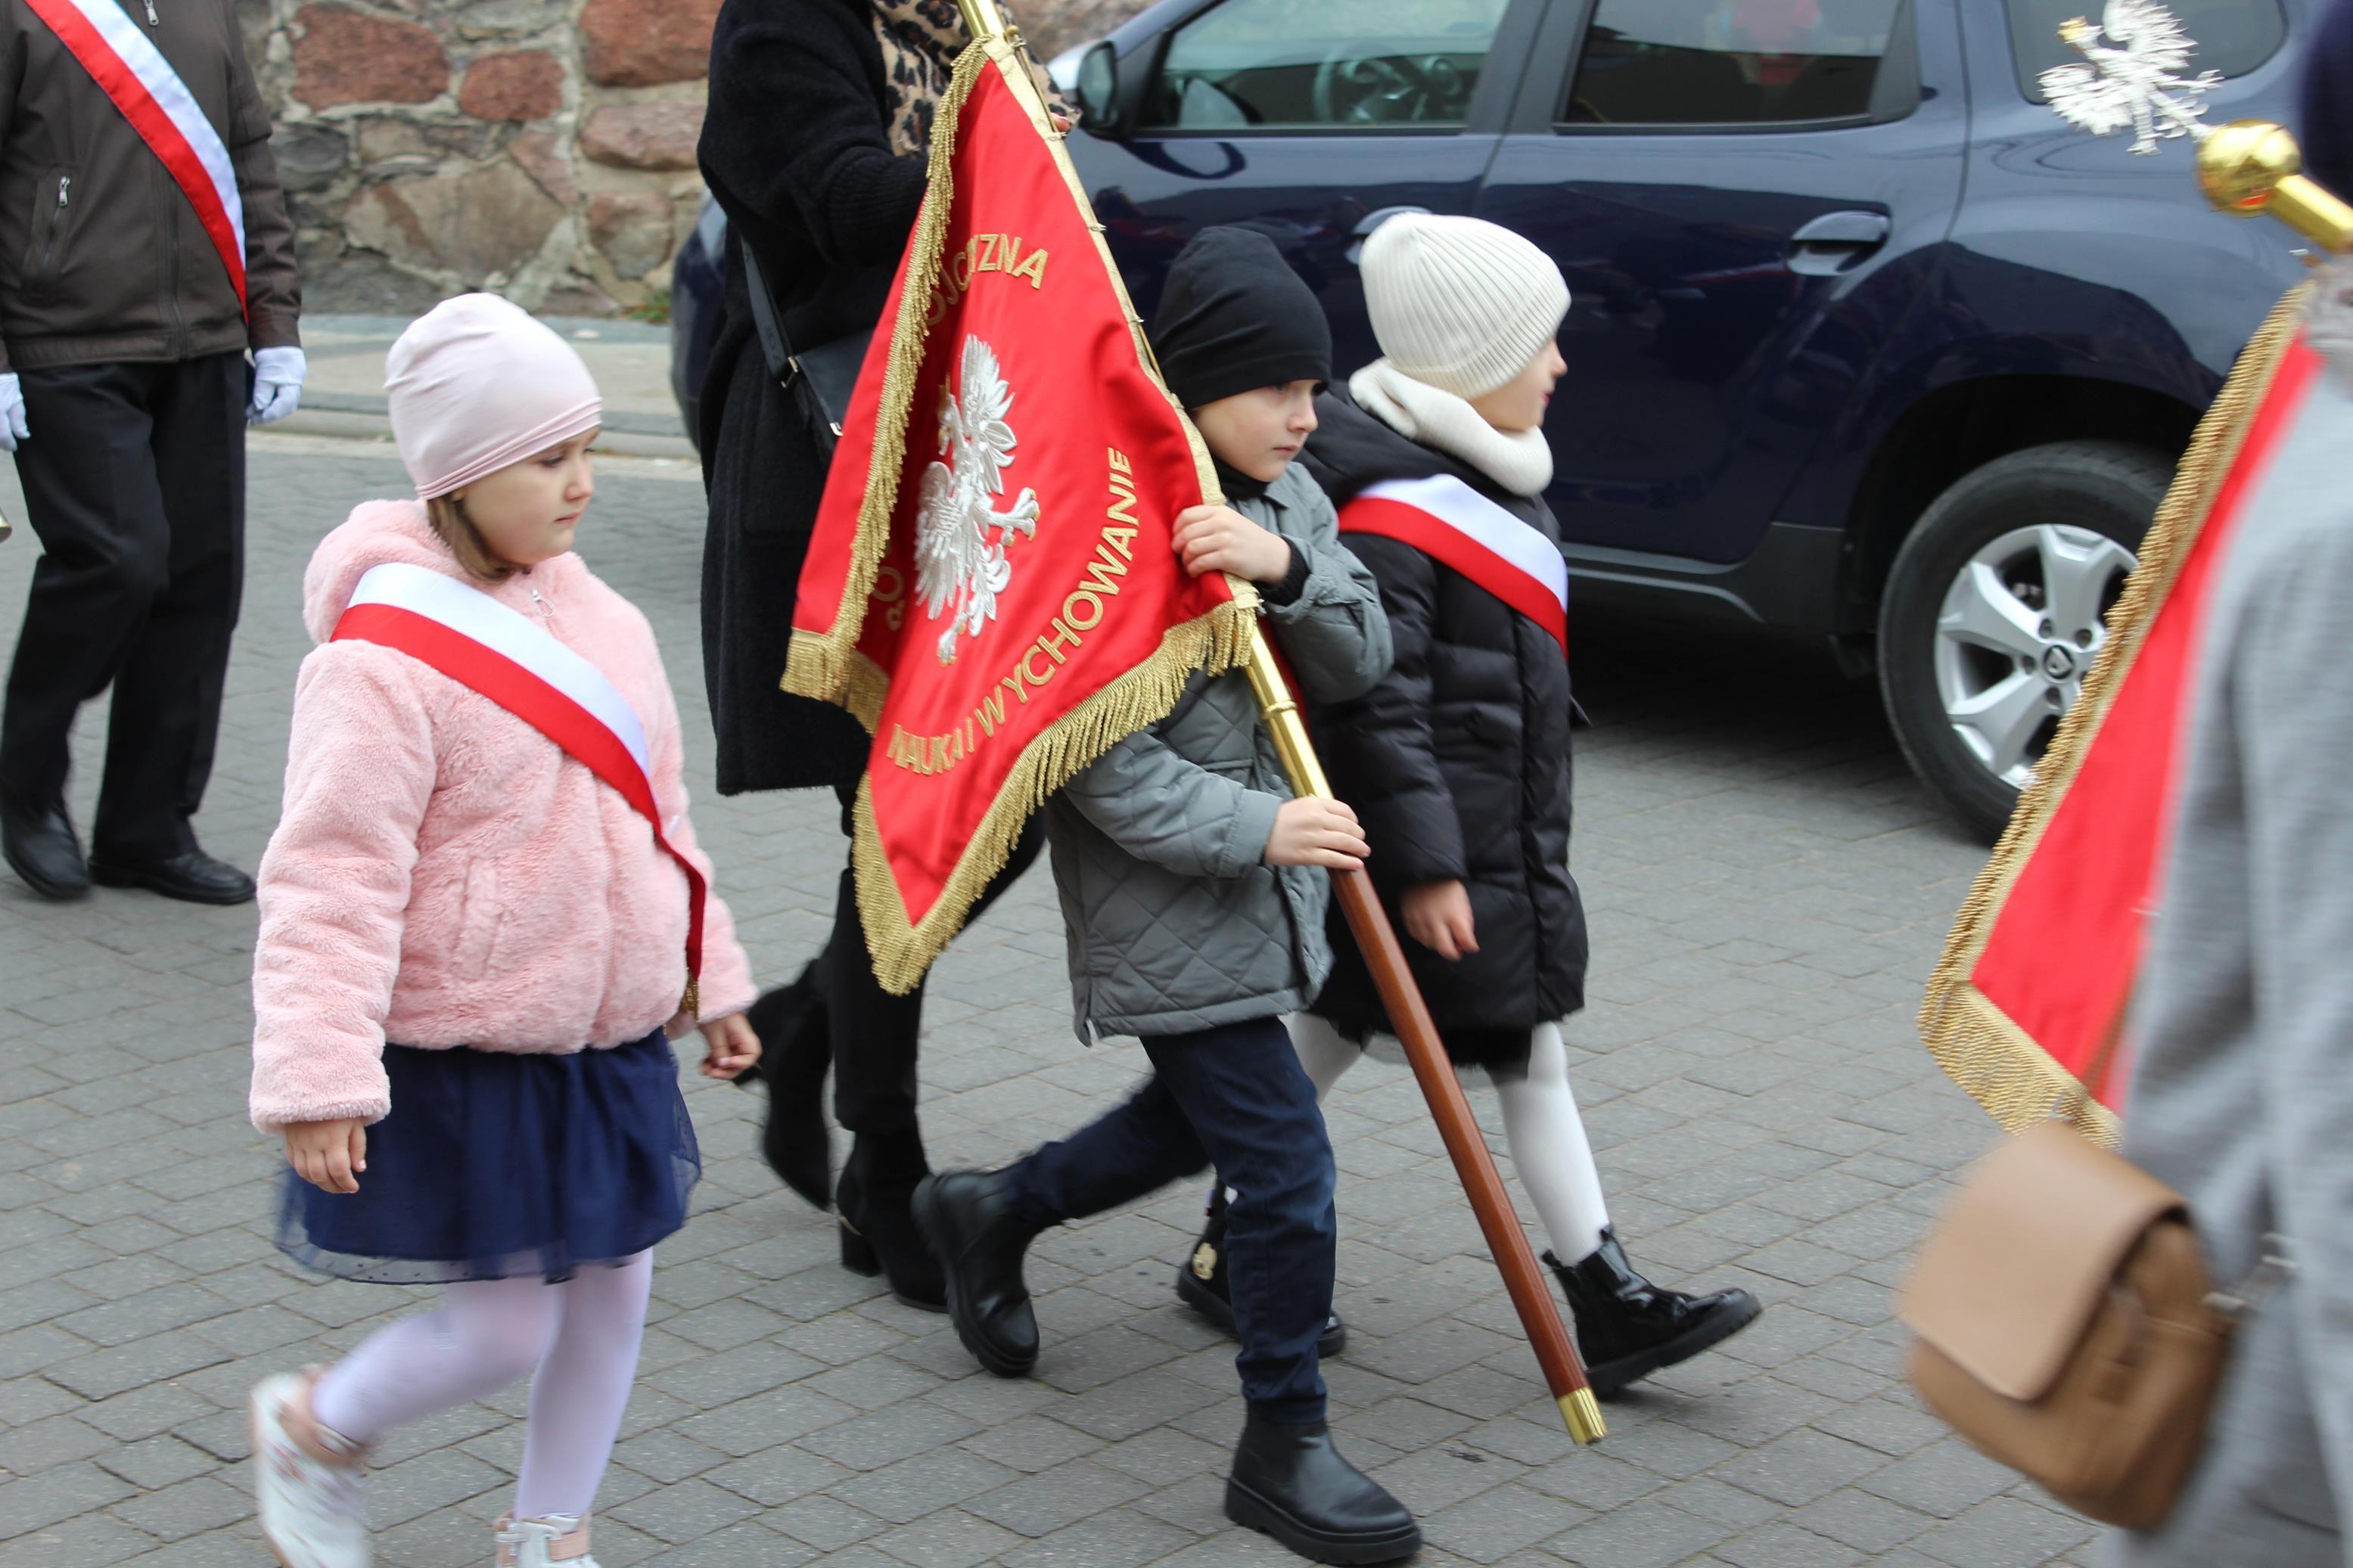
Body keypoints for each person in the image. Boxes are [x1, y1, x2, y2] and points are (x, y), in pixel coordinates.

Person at [1167, 213, 1763, 1398]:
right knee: (1522, 1050)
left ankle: (1229, 1243)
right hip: (1445, 844)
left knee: (1337, 1029)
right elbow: (1377, 707)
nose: (1557, 366)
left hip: (1490, 828)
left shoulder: (1465, 478)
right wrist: (1430, 864)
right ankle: (1604, 1296)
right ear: (1468, 359)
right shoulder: (1399, 511)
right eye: (1536, 344)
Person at [915, 228, 1419, 1564]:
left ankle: (995, 1207)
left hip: (1271, 900)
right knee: (1287, 1165)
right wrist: (1266, 827)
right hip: (1175, 906)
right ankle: (1282, 1439)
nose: (1308, 414)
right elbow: (1104, 772)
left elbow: (1367, 647)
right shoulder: (1097, 532)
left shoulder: (1285, 497)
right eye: (1276, 389)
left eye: (1317, 386)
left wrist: (1289, 573)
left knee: (1185, 1127)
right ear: (1194, 387)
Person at [241, 296, 760, 1568]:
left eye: (587, 447)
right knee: (502, 1327)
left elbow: (662, 817)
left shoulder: (610, 622)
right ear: (460, 474)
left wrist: (709, 972)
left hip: (609, 1036)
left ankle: (549, 1527)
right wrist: (317, 1076)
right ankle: (314, 1427)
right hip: (473, 1042)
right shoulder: (378, 660)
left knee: (616, 1289)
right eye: (548, 458)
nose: (583, 483)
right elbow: (330, 875)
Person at [696, 0, 1066, 1309]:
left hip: (965, 444)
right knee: (896, 803)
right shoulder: (783, 23)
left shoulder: (963, 25)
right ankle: (886, 1157)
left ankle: (806, 1022)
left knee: (1013, 784)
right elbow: (844, 202)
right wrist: (1000, 152)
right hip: (836, 461)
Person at [0, 0, 306, 905]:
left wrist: (275, 320)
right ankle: (22, 778)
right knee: (117, 563)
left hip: (205, 344)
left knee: (199, 587)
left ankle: (146, 827)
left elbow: (250, 160)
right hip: (64, 345)